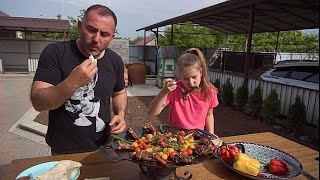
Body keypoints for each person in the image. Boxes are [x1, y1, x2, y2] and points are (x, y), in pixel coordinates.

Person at [30, 4, 127, 155]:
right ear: (80, 26)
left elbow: (119, 93)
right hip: (64, 150)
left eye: (104, 34)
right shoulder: (55, 53)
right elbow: (38, 102)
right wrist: (73, 82)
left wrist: (120, 114)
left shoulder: (115, 61)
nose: (96, 39)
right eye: (91, 30)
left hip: (104, 147)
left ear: (112, 37)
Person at [148, 48, 219, 134]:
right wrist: (163, 92)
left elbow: (209, 114)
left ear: (201, 72)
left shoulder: (210, 91)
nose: (191, 83)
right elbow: (152, 112)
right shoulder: (175, 89)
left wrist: (212, 135)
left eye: (194, 77)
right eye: (185, 78)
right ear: (180, 76)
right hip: (176, 136)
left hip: (198, 136)